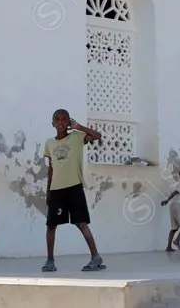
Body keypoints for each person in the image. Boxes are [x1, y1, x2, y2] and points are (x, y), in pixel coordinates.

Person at [41, 109, 106, 272]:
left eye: (64, 119)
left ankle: (96, 257)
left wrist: (79, 127)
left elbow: (97, 135)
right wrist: (48, 191)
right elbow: (51, 169)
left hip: (74, 187)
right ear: (53, 123)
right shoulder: (49, 143)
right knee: (51, 225)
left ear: (69, 121)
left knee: (81, 223)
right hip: (56, 189)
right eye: (58, 119)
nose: (61, 122)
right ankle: (50, 260)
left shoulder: (77, 137)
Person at [160, 166, 180, 251]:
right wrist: (167, 200)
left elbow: (175, 192)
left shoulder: (178, 184)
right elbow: (175, 192)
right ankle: (177, 241)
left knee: (174, 228)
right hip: (179, 205)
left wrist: (168, 201)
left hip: (173, 205)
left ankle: (169, 247)